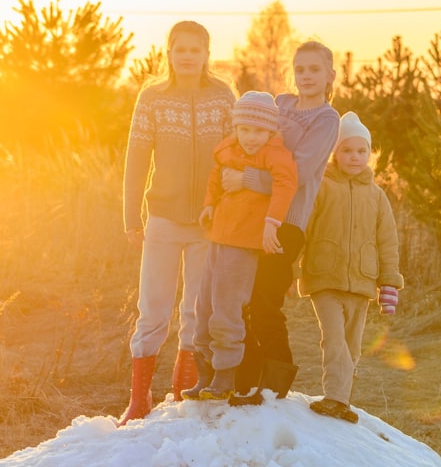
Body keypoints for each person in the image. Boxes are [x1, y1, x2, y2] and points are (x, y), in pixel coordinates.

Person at [118, 21, 236, 426]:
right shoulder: (152, 99)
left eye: (195, 49)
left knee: (196, 310)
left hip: (209, 222)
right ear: (168, 53)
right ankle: (139, 401)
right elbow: (136, 164)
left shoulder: (223, 98)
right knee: (153, 308)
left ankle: (181, 394)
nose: (187, 55)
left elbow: (236, 157)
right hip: (163, 220)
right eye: (179, 48)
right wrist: (132, 218)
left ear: (206, 54)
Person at [224, 41, 340, 403]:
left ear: (329, 76)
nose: (306, 76)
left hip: (287, 223)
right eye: (300, 69)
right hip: (253, 218)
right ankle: (246, 380)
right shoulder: (281, 104)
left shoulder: (326, 119)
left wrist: (246, 179)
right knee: (241, 299)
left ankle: (275, 385)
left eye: (314, 70)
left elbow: (300, 171)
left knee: (265, 301)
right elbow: (252, 141)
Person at [181, 91, 298, 401]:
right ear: (236, 127)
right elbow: (215, 176)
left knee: (227, 309)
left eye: (259, 131)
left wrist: (272, 222)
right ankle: (204, 372)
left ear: (270, 131)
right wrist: (209, 204)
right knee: (203, 306)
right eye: (244, 129)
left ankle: (225, 375)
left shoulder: (274, 155)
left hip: (243, 244)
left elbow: (286, 185)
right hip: (218, 236)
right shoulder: (228, 149)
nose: (250, 137)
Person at [299, 111, 404, 423]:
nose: (354, 157)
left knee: (352, 345)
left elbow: (387, 241)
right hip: (324, 277)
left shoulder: (377, 195)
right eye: (346, 150)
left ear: (370, 153)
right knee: (333, 340)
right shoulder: (322, 187)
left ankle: (343, 399)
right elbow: (302, 230)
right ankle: (335, 397)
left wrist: (389, 282)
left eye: (361, 151)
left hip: (362, 281)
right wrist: (291, 270)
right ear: (334, 152)